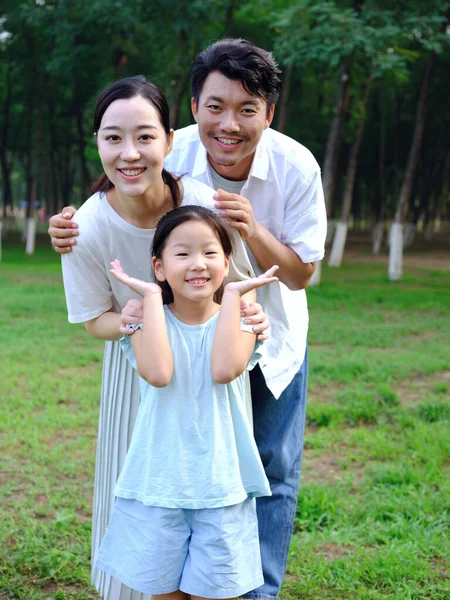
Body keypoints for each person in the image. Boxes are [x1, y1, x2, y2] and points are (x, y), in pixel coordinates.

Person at [49, 38, 327, 600]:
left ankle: (255, 591)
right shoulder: (175, 158)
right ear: (193, 109)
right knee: (183, 474)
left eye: (247, 109)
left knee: (266, 472)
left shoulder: (295, 165)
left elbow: (300, 276)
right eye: (215, 106)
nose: (229, 123)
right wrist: (71, 223)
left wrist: (250, 232)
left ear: (268, 114)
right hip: (179, 344)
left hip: (264, 337)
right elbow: (126, 177)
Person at [95, 205, 278, 599]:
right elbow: (159, 372)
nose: (198, 264)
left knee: (214, 592)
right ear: (159, 267)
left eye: (210, 253)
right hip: (159, 483)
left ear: (227, 263)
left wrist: (231, 295)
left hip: (222, 486)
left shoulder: (244, 318)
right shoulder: (145, 320)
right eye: (182, 254)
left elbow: (224, 368)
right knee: (163, 593)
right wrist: (147, 297)